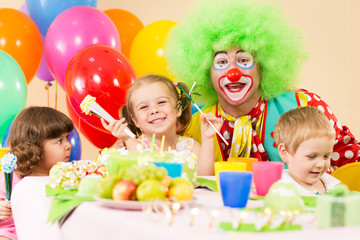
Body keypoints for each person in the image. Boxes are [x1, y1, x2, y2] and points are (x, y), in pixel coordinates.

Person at [164, 0, 360, 175]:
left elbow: (350, 161)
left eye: (243, 60)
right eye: (222, 62)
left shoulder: (304, 106)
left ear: (263, 65)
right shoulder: (198, 127)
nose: (233, 72)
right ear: (207, 72)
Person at [101, 74, 222, 175]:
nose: (154, 110)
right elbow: (142, 169)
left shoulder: (190, 147)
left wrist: (208, 138)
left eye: (161, 102)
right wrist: (127, 140)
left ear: (178, 109)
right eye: (144, 107)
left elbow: (205, 178)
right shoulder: (135, 147)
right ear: (135, 120)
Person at [0, 106, 73, 240]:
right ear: (35, 146)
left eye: (67, 138)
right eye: (59, 141)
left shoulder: (63, 176)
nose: (68, 145)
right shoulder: (10, 178)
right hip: (12, 232)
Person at [273, 106, 341, 196]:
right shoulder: (281, 188)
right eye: (312, 156)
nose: (321, 164)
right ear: (285, 153)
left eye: (326, 156)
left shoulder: (332, 184)